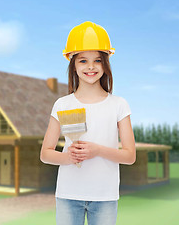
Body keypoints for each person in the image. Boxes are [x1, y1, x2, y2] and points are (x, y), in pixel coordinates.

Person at [40, 21, 136, 225]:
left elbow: (129, 156)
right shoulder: (63, 104)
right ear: (73, 64)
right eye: (83, 60)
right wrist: (69, 157)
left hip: (105, 197)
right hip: (68, 194)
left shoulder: (118, 104)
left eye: (98, 60)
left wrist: (97, 150)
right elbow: (45, 153)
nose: (90, 67)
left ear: (106, 64)